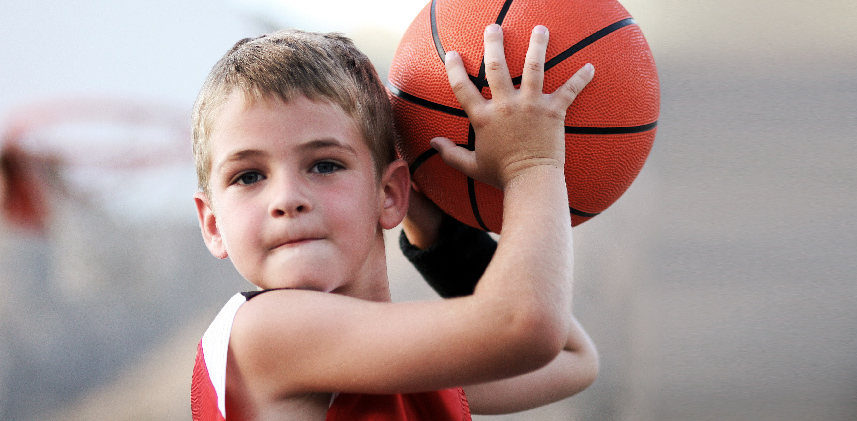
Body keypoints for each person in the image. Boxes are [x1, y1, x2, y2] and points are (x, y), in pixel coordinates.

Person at [191, 24, 597, 420]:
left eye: (324, 165)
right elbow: (526, 328)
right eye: (248, 176)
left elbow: (571, 359)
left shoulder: (401, 365)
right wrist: (531, 162)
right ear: (212, 224)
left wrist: (440, 233)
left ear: (388, 194)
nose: (286, 199)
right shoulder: (265, 332)